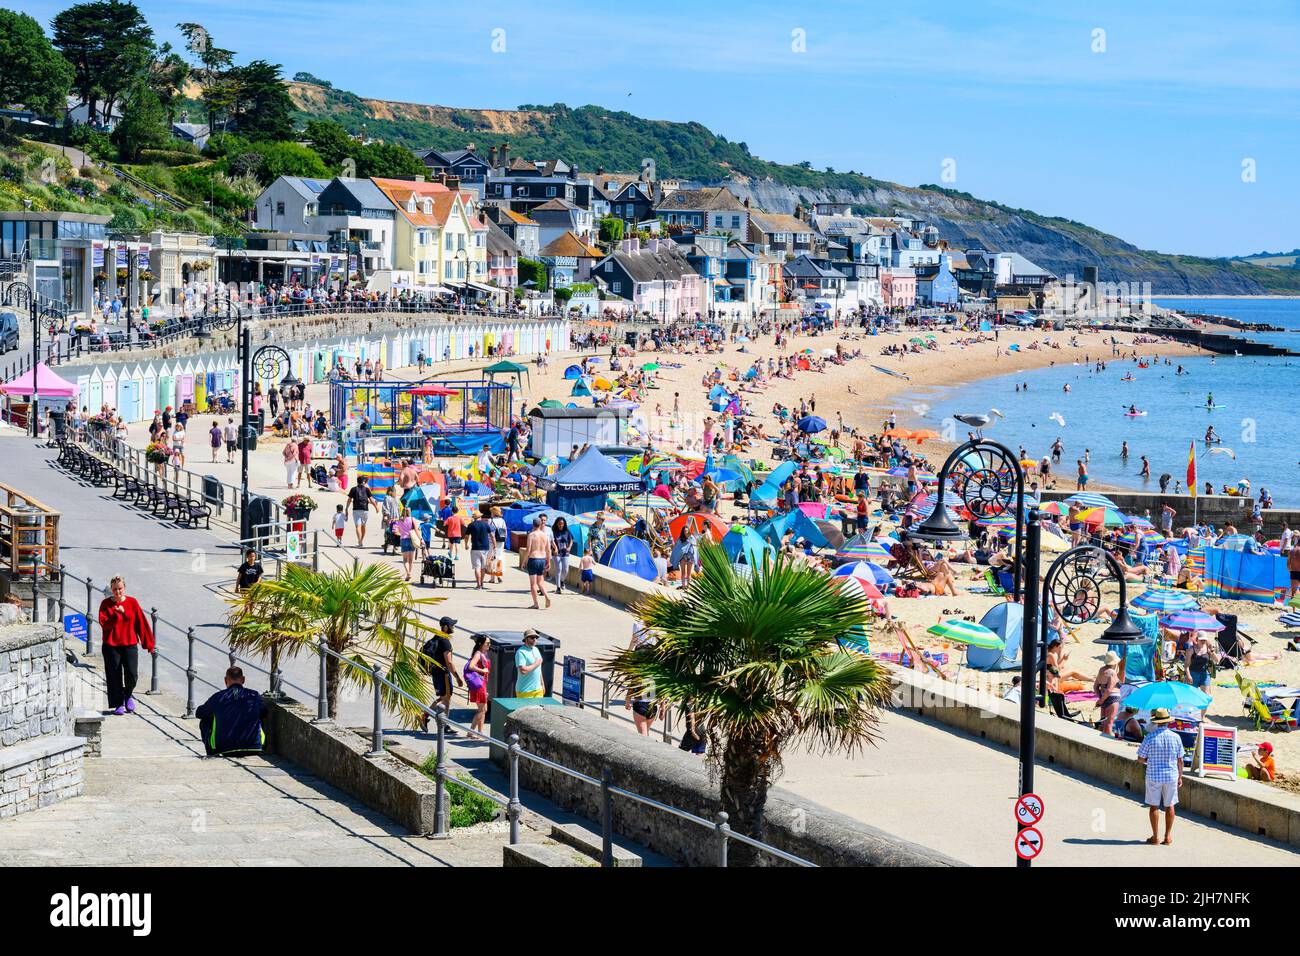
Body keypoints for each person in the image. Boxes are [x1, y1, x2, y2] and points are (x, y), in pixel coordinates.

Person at [97, 575, 155, 716]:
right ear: (111, 589)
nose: (118, 592)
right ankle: (118, 704)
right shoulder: (105, 604)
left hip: (129, 644)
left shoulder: (132, 602)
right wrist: (116, 615)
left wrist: (149, 644)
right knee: (114, 675)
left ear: (124, 588)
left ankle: (127, 694)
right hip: (111, 645)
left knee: (132, 674)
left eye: (120, 588)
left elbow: (141, 623)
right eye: (115, 589)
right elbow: (104, 624)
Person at [195, 666, 268, 757]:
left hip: (225, 748)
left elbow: (199, 713)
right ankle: (261, 745)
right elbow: (264, 712)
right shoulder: (254, 695)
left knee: (205, 720)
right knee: (259, 715)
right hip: (253, 747)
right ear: (243, 679)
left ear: (226, 680)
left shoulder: (218, 697)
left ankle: (212, 751)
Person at [1136, 708, 1184, 845]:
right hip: (1171, 775)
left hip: (1154, 776)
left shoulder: (1150, 737)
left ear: (1156, 722)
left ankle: (1155, 837)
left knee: (1154, 806)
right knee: (1170, 806)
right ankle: (1168, 836)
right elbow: (1180, 760)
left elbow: (1140, 758)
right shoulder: (1176, 737)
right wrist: (1180, 777)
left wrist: (1148, 760)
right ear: (1168, 722)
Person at [421, 616, 463, 734]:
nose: (453, 627)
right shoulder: (445, 641)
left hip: (436, 673)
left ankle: (432, 718)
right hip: (443, 674)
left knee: (443, 697)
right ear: (445, 627)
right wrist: (457, 678)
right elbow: (449, 661)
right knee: (446, 698)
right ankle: (441, 723)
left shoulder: (436, 638)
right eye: (451, 625)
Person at [524, 516, 555, 609]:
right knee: (540, 582)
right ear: (540, 524)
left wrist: (524, 561)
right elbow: (548, 550)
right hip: (542, 559)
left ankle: (536, 603)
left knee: (533, 584)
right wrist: (548, 561)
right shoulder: (545, 535)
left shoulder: (531, 535)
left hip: (533, 559)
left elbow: (528, 550)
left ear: (533, 525)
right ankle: (547, 596)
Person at [463, 634, 491, 734]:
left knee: (484, 710)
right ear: (481, 644)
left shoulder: (482, 654)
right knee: (482, 710)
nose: (489, 645)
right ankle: (475, 732)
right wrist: (482, 670)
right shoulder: (478, 654)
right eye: (487, 643)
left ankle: (476, 732)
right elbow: (471, 666)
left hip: (481, 684)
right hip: (479, 685)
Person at [466, 508, 495, 589]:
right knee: (483, 568)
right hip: (485, 548)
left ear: (474, 517)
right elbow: (492, 535)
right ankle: (482, 583)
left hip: (475, 548)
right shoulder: (486, 524)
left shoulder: (471, 525)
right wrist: (495, 545)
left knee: (477, 567)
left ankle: (478, 585)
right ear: (480, 517)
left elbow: (466, 536)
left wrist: (466, 544)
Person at [347, 476, 379, 548]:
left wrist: (346, 509)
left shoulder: (353, 489)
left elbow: (349, 500)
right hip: (365, 509)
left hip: (356, 509)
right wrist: (376, 507)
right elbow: (371, 500)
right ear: (363, 482)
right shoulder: (367, 489)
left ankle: (360, 542)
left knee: (358, 526)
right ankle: (361, 541)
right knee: (363, 526)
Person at [515, 628, 545, 698]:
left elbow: (539, 669)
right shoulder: (521, 652)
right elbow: (523, 670)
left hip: (538, 690)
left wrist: (542, 684)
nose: (535, 640)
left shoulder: (536, 649)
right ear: (526, 639)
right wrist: (536, 664)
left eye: (536, 638)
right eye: (532, 638)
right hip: (525, 691)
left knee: (539, 709)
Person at [393, 506, 418, 581]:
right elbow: (416, 530)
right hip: (412, 539)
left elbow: (394, 530)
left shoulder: (399, 521)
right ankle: (410, 572)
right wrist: (420, 539)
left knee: (405, 559)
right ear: (409, 512)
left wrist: (400, 531)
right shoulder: (412, 519)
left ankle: (408, 573)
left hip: (403, 540)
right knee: (411, 559)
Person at [551, 516, 574, 593]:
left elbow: (571, 540)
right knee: (559, 569)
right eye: (559, 524)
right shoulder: (553, 531)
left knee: (566, 570)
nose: (561, 525)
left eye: (562, 524)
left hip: (565, 553)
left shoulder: (567, 531)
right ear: (557, 524)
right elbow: (551, 541)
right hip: (556, 553)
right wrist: (553, 549)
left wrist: (570, 547)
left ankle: (562, 581)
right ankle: (558, 588)